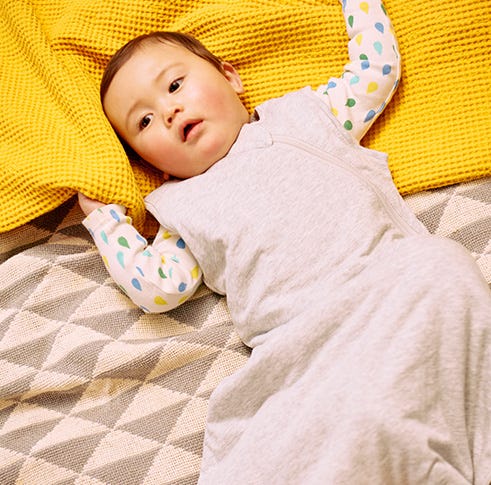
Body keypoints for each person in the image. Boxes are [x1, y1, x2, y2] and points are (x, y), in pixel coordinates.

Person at [79, 0, 491, 483]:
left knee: (439, 266)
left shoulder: (308, 115)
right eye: (144, 122)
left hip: (385, 288)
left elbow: (375, 70)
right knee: (303, 431)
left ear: (230, 77)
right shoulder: (179, 210)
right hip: (300, 344)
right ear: (151, 162)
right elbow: (156, 287)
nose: (168, 112)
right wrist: (107, 225)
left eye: (174, 85)